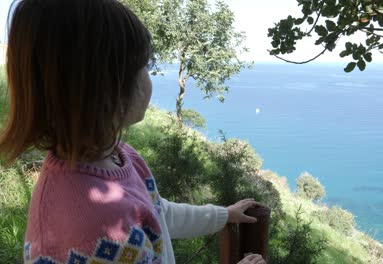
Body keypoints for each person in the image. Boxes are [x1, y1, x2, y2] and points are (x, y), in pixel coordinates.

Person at [0, 0, 266, 263]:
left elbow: (157, 213)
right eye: (144, 66)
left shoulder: (120, 155)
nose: (149, 78)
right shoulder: (95, 233)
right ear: (105, 88)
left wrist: (223, 214)